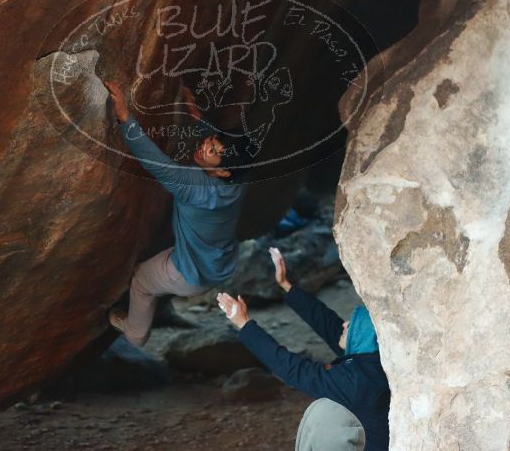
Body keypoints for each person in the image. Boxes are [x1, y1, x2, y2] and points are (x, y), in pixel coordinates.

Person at [104, 79, 246, 347]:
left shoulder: (195, 187)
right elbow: (222, 152)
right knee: (163, 262)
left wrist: (124, 116)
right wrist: (197, 118)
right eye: (213, 141)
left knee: (142, 280)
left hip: (188, 274)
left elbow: (156, 163)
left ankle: (135, 334)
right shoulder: (237, 180)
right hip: (218, 266)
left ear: (222, 171)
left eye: (213, 151)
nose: (207, 146)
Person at [217, 247, 389, 451]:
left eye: (351, 325)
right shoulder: (376, 361)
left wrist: (244, 324)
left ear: (363, 338)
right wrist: (286, 285)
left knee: (323, 414)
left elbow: (295, 369)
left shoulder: (356, 381)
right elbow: (328, 323)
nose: (343, 325)